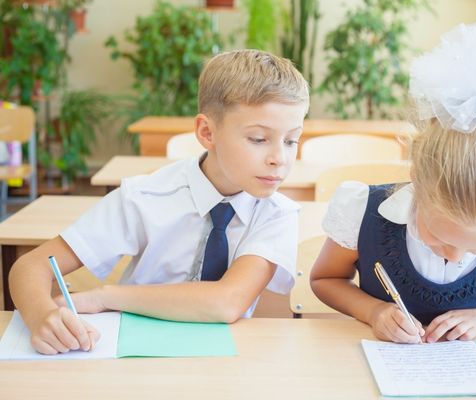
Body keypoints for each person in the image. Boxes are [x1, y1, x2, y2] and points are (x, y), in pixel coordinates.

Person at [9, 49, 309, 355]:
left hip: (223, 364)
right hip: (131, 356)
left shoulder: (277, 214)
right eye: (259, 139)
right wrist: (41, 315)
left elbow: (227, 302)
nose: (279, 159)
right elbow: (30, 266)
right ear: (207, 132)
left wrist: (105, 297)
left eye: (291, 140)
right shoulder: (146, 196)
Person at [310, 21, 476, 344]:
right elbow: (325, 278)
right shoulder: (364, 215)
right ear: (416, 179)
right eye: (436, 235)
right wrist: (373, 312)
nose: (454, 255)